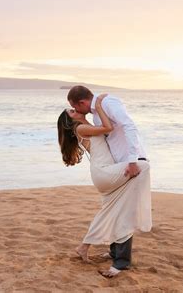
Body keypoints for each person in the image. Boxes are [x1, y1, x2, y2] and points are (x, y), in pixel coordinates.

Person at [57, 87, 152, 278]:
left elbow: (119, 129)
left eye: (73, 108)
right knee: (144, 168)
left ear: (80, 103)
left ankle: (96, 249)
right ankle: (119, 260)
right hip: (105, 173)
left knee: (113, 210)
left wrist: (99, 108)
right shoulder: (83, 127)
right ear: (72, 119)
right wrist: (99, 106)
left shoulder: (89, 122)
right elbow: (109, 128)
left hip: (106, 172)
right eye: (71, 111)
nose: (74, 111)